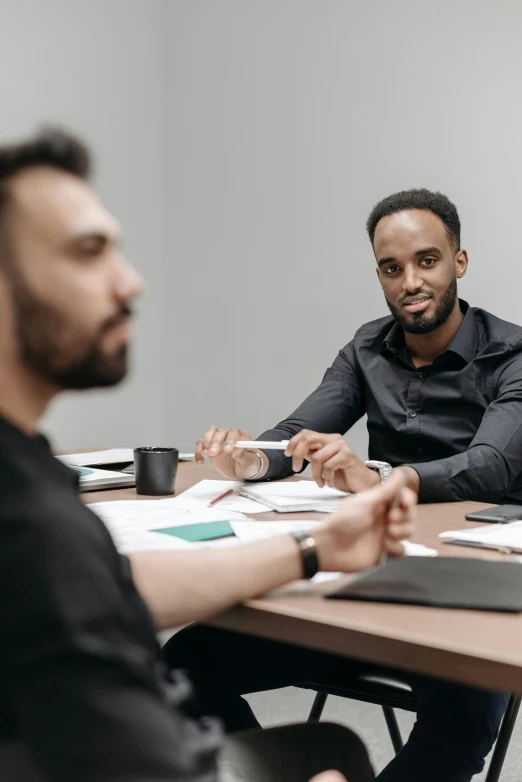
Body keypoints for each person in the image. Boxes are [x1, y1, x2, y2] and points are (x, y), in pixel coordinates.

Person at [0, 128, 416, 782]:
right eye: (89, 253)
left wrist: (313, 550)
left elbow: (109, 586)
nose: (130, 282)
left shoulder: (27, 478)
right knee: (331, 756)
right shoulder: (32, 524)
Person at [169, 188, 517, 781]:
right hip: (372, 577)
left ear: (459, 261)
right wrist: (249, 460)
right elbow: (297, 433)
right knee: (178, 669)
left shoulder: (512, 354)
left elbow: (490, 465)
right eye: (391, 267)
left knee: (460, 727)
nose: (410, 281)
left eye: (426, 261)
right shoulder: (366, 348)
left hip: (471, 588)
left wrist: (377, 477)